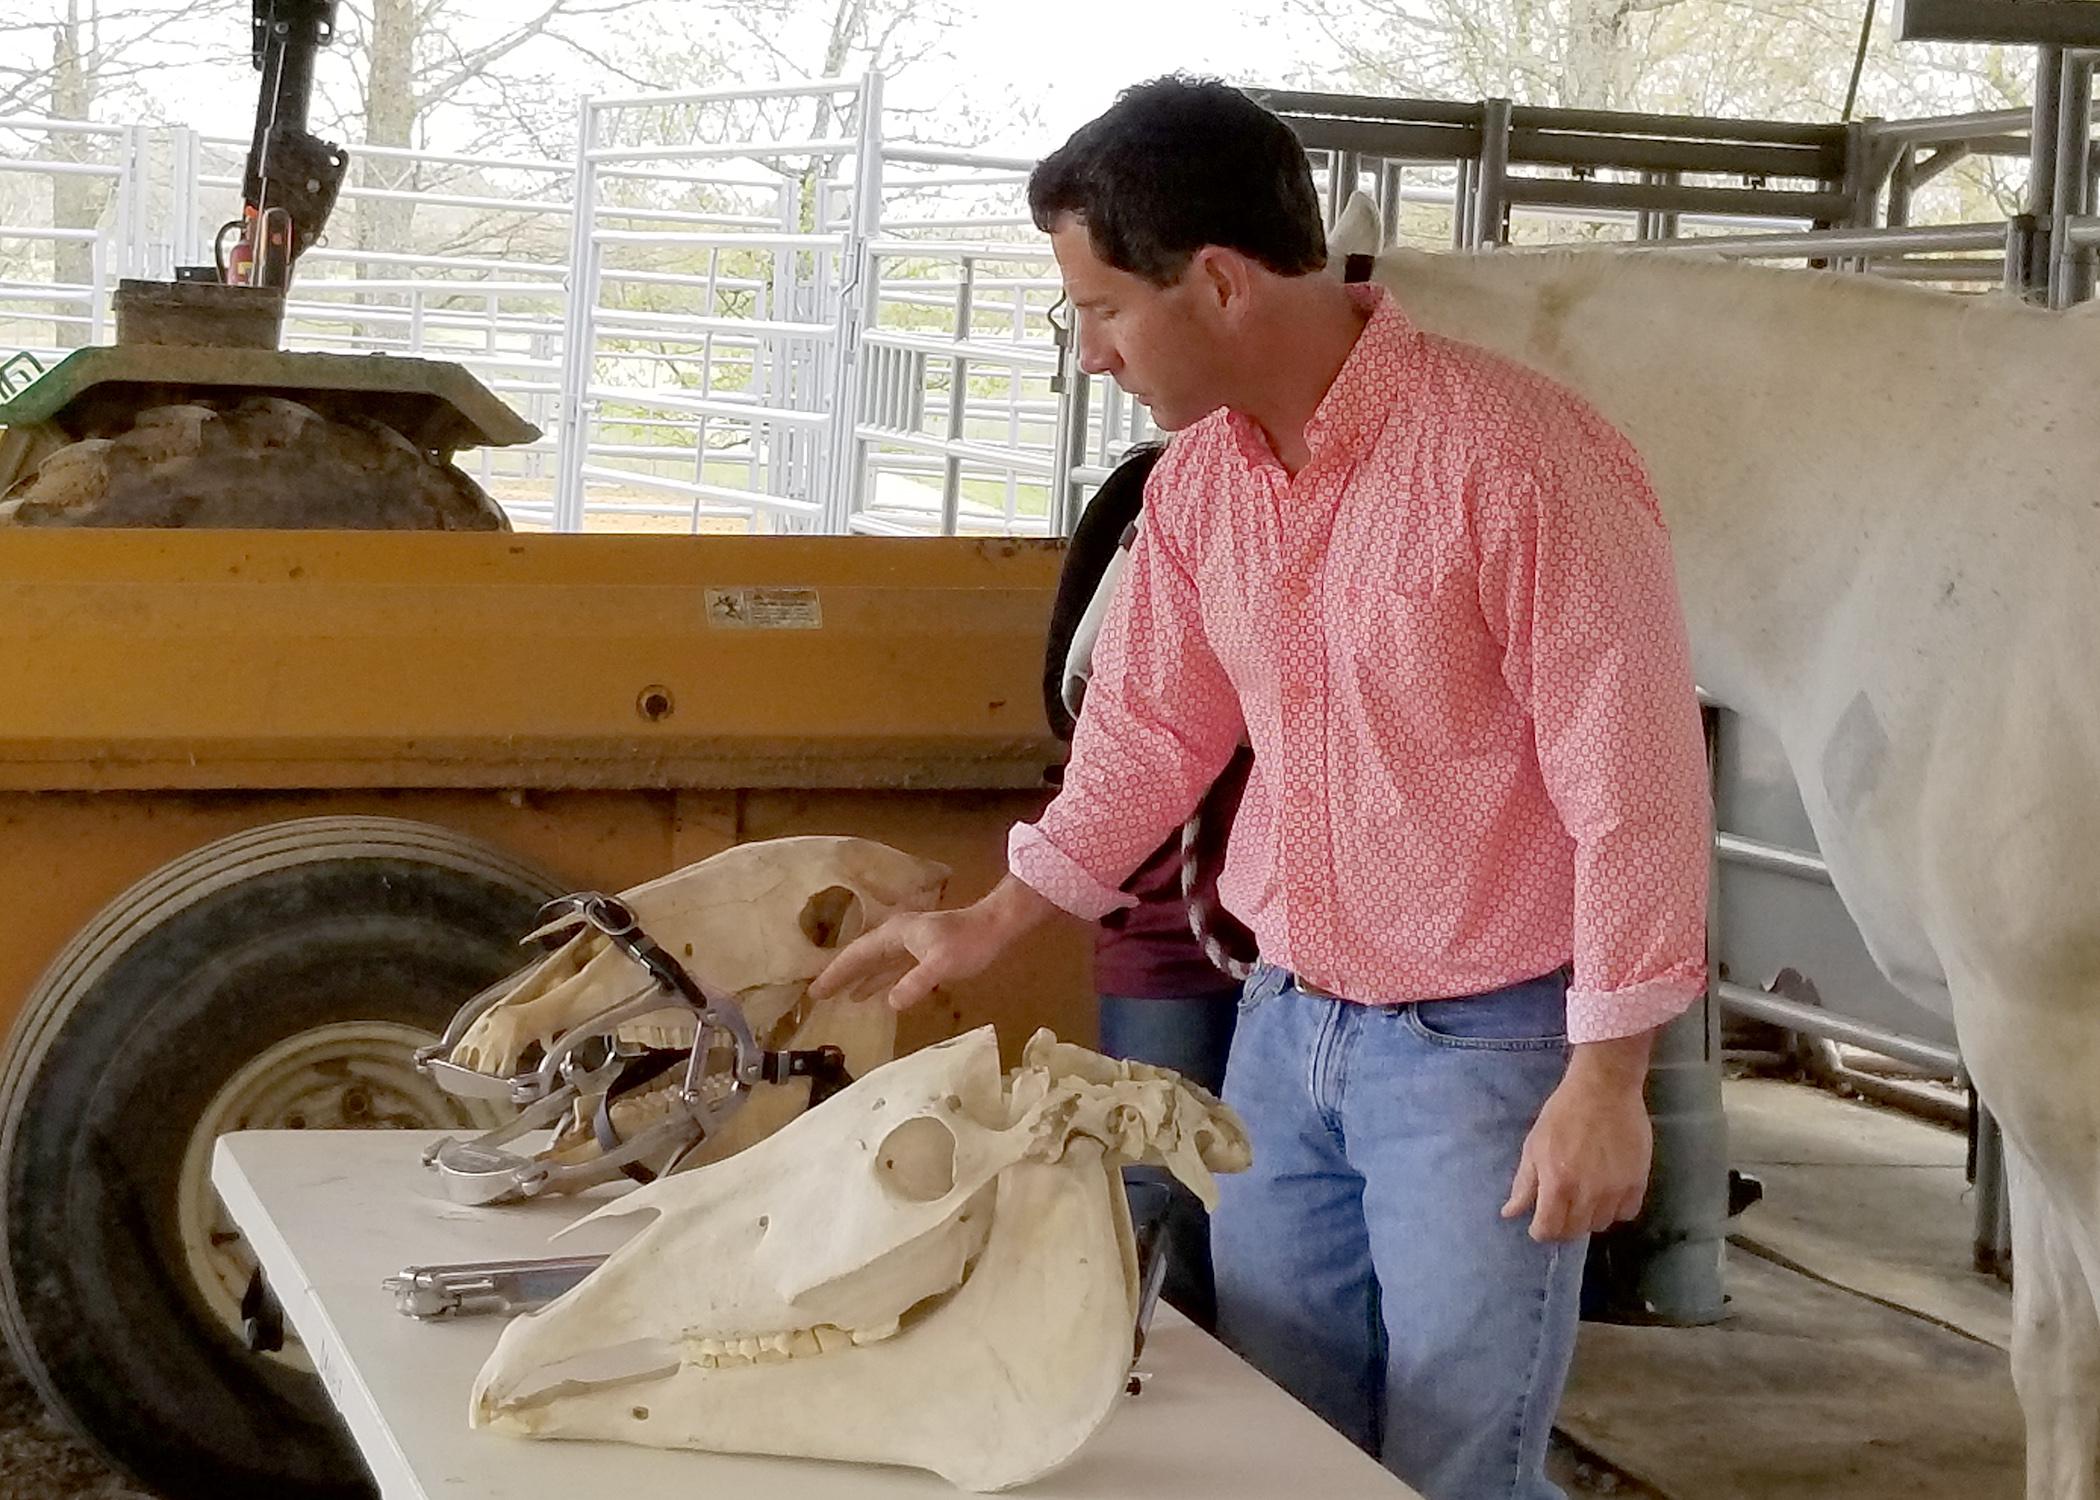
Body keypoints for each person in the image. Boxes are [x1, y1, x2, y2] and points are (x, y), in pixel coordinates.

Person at [813, 75, 1711, 1500]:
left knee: (1453, 1465)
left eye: (1101, 309)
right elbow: (1150, 738)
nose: (1091, 354)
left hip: (1480, 1056)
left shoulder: (1521, 461)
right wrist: (994, 920)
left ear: (1218, 282)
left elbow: (1638, 787)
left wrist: (1608, 1077)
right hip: (1285, 1039)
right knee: (1276, 1447)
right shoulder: (1199, 489)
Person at [1044, 439, 1242, 1332]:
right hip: (1166, 926)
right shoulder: (1147, 491)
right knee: (1160, 1207)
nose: (1096, 351)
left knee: (1286, 1227)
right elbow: (1073, 699)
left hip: (1316, 959)